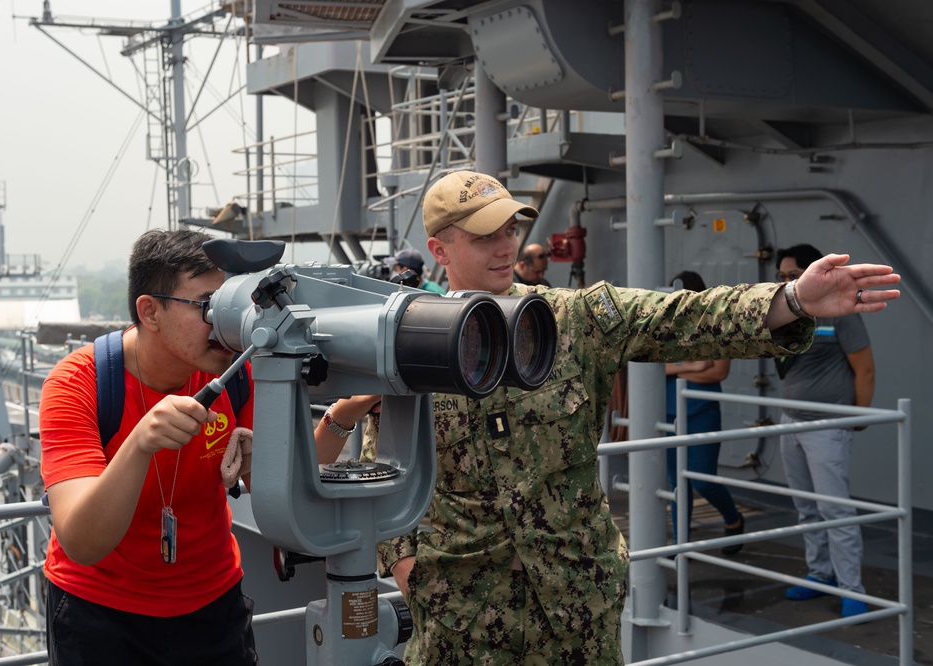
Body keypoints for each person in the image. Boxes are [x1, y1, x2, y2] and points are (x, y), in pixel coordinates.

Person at [319, 171, 899, 665]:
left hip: (577, 611)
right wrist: (410, 571)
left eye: (511, 229)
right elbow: (381, 476)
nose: (505, 246)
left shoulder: (574, 320)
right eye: (483, 236)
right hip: (460, 621)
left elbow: (681, 316)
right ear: (440, 249)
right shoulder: (405, 340)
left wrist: (792, 300)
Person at [38, 229, 262, 664]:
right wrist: (139, 444)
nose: (225, 322)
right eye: (207, 306)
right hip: (101, 615)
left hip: (213, 605)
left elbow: (269, 484)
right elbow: (83, 542)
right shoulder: (77, 384)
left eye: (233, 303)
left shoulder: (236, 373)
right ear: (150, 311)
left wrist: (343, 415)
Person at [774, 243, 875, 618]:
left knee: (835, 509)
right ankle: (821, 574)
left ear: (812, 273)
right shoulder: (786, 316)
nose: (785, 282)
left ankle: (853, 589)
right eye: (781, 276)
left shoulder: (839, 313)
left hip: (826, 426)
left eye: (792, 275)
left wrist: (857, 416)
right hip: (791, 421)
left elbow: (865, 368)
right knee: (806, 507)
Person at [664, 271, 744, 554]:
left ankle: (733, 519)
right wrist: (695, 366)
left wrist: (675, 370)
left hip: (702, 412)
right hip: (669, 416)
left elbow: (718, 372)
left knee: (702, 480)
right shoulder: (665, 326)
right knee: (676, 485)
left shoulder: (718, 326)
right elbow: (653, 369)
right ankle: (679, 546)